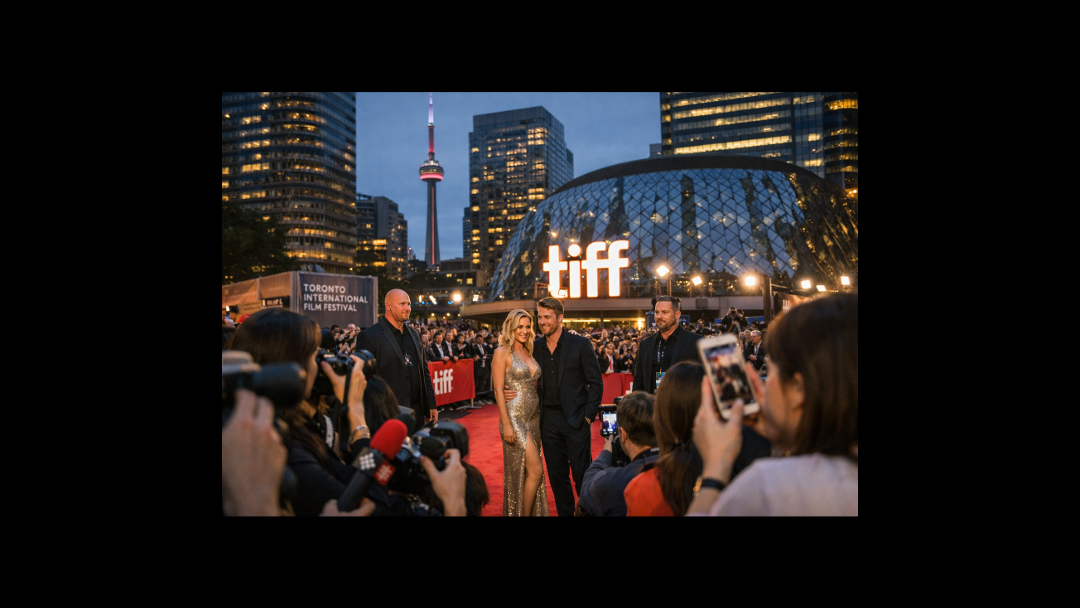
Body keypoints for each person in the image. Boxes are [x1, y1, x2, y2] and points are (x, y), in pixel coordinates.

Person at [688, 294, 858, 517]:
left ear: (798, 388)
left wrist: (715, 468)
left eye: (772, 371)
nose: (765, 386)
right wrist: (787, 437)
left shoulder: (769, 486)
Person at [229, 308, 372, 517]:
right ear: (294, 369)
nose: (323, 365)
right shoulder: (283, 449)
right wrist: (357, 415)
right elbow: (374, 502)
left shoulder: (290, 427)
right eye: (316, 355)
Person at [505, 297, 603, 517]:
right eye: (539, 317)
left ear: (560, 318)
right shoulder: (535, 347)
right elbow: (518, 373)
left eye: (547, 317)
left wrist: (587, 416)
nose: (542, 321)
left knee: (582, 474)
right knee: (558, 478)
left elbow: (596, 383)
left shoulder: (580, 344)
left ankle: (588, 512)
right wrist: (505, 389)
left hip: (576, 420)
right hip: (547, 422)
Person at [491, 310, 549, 517]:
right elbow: (498, 389)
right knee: (536, 470)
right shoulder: (501, 352)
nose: (524, 331)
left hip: (534, 418)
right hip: (513, 418)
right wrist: (506, 423)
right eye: (520, 327)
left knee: (528, 472)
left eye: (527, 327)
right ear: (511, 328)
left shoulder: (530, 350)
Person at [355, 289, 438, 430]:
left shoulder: (414, 334)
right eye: (402, 304)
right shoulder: (369, 336)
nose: (407, 308)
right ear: (388, 306)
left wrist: (431, 404)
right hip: (388, 413)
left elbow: (424, 371)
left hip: (416, 412)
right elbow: (363, 379)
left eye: (409, 304)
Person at [578, 392, 660, 517]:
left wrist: (607, 449)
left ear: (623, 434)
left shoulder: (612, 483)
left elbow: (587, 490)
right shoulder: (683, 466)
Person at [633, 297, 703, 395]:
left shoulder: (696, 342)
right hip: (652, 407)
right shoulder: (645, 344)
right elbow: (638, 383)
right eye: (657, 312)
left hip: (683, 406)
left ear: (677, 314)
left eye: (665, 312)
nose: (659, 316)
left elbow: (705, 381)